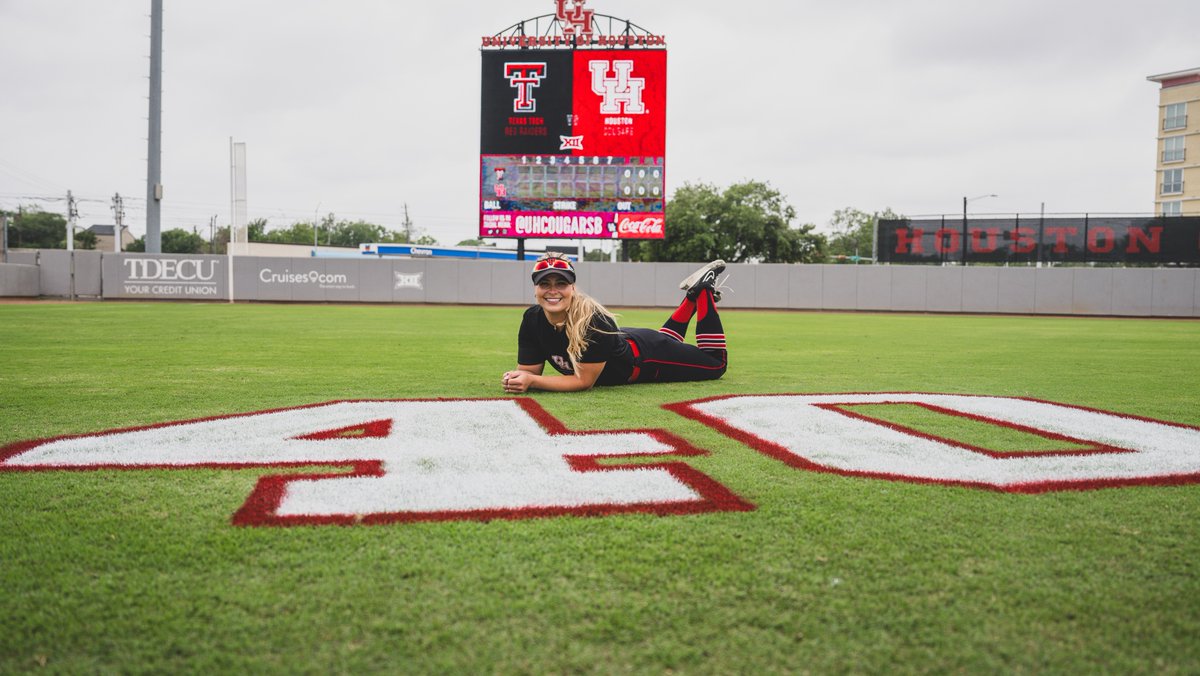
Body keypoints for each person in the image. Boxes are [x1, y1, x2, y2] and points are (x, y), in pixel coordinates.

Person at [502, 253, 728, 393]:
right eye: (545, 284)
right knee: (670, 341)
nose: (552, 290)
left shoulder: (593, 321)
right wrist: (520, 379)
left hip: (647, 358)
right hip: (625, 342)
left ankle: (703, 291)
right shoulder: (532, 318)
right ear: (535, 290)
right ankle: (692, 297)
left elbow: (583, 382)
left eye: (561, 283)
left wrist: (532, 381)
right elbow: (529, 372)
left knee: (716, 365)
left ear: (572, 288)